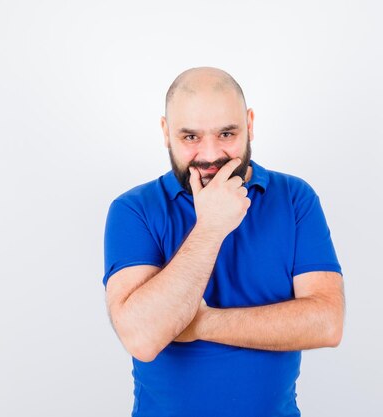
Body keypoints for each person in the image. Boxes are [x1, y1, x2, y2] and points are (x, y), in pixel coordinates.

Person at [102, 66, 345, 417]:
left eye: (227, 133)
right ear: (166, 132)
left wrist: (201, 322)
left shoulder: (294, 198)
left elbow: (326, 323)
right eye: (190, 137)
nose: (210, 154)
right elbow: (141, 337)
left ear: (250, 124)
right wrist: (210, 228)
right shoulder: (133, 210)